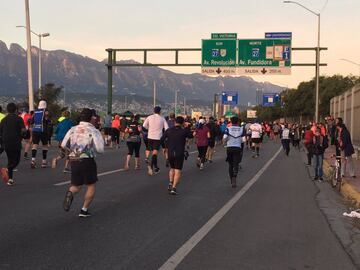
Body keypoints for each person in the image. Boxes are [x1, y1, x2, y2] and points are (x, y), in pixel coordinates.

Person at [62, 108, 104, 217]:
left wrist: (72, 151)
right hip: (87, 159)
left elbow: (63, 145)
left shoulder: (72, 129)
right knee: (91, 185)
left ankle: (70, 193)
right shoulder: (93, 130)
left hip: (74, 159)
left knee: (76, 185)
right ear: (91, 118)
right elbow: (100, 149)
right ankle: (84, 210)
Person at [161, 116, 191, 195]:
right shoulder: (184, 131)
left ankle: (170, 183)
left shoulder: (168, 130)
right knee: (178, 170)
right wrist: (187, 127)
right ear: (183, 123)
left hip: (170, 153)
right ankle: (174, 188)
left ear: (175, 122)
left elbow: (162, 139)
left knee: (172, 168)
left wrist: (164, 148)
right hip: (179, 153)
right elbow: (191, 135)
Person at [0, 103, 26, 186]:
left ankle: (10, 180)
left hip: (6, 143)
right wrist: (23, 136)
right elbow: (23, 131)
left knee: (10, 160)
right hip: (16, 142)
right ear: (15, 110)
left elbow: (0, 131)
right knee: (16, 160)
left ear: (7, 110)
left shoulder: (3, 120)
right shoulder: (19, 119)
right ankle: (7, 170)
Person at [142, 106, 169, 175]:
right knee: (154, 154)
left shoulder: (149, 117)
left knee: (151, 151)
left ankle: (156, 167)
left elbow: (143, 127)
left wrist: (148, 131)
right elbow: (167, 129)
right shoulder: (162, 118)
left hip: (150, 137)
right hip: (158, 138)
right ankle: (151, 167)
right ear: (160, 111)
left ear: (153, 111)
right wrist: (164, 136)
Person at [223, 116, 245, 188]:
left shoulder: (228, 129)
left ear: (231, 122)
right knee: (236, 163)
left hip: (229, 148)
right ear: (238, 122)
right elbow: (244, 140)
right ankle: (234, 177)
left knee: (230, 164)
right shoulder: (241, 129)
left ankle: (231, 180)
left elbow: (224, 138)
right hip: (238, 148)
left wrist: (225, 143)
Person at [30, 100, 51, 168]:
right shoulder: (45, 112)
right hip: (43, 130)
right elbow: (47, 120)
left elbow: (31, 121)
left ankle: (33, 160)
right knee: (45, 145)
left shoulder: (35, 111)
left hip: (35, 130)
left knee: (35, 145)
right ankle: (44, 162)